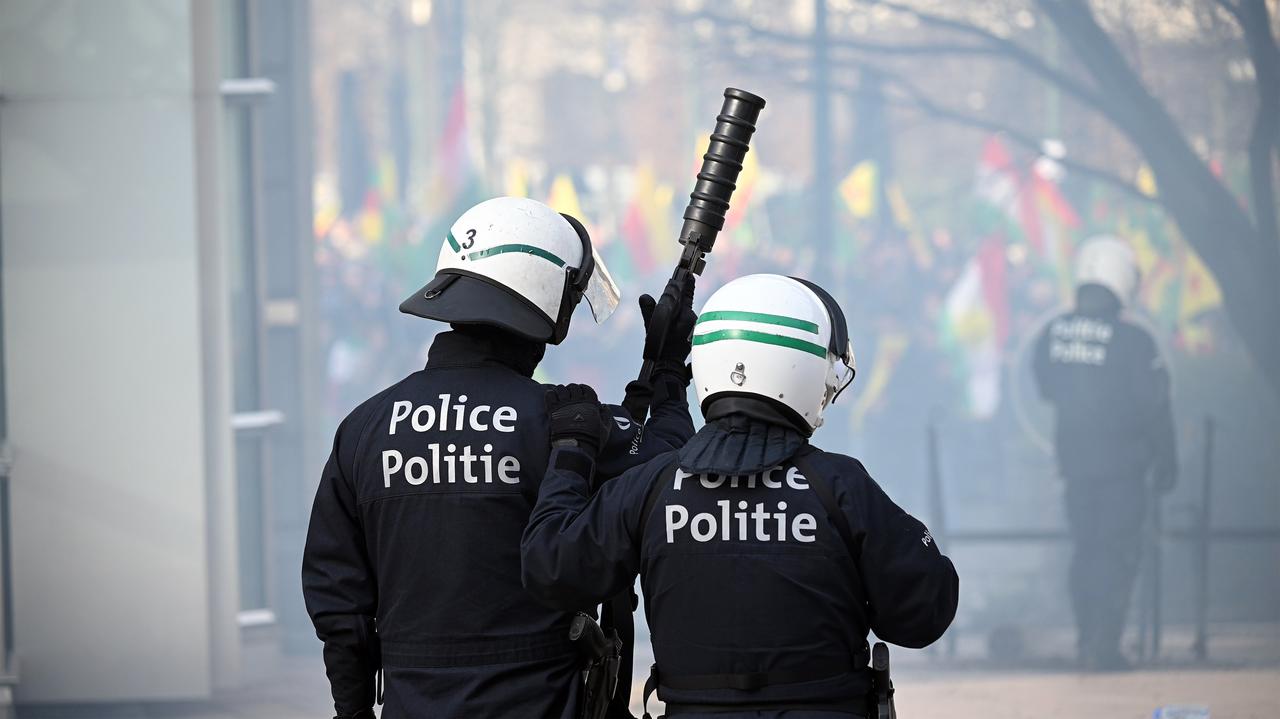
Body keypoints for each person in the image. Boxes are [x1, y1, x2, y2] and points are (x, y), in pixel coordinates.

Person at [302, 196, 696, 719]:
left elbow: (338, 600)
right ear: (544, 296)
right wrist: (667, 372)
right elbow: (673, 464)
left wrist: (353, 712)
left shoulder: (364, 429)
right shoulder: (566, 424)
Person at [522, 273, 959, 717]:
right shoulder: (841, 486)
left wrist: (571, 450)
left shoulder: (652, 486)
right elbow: (924, 614)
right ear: (804, 369)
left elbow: (552, 569)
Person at [1032, 235, 1178, 671]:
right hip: (1124, 470)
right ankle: (1104, 646)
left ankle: (1086, 641)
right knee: (1117, 554)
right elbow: (1155, 406)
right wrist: (1167, 460)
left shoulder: (1053, 332)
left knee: (1086, 551)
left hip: (1075, 466)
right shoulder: (1134, 340)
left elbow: (1045, 388)